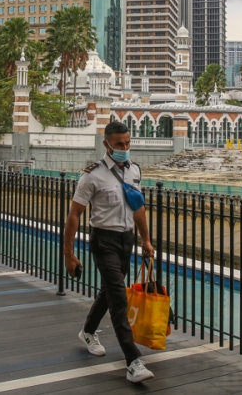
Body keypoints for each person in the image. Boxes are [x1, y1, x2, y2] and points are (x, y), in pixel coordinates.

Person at [63, 120, 156, 383]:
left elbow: (138, 208)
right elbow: (74, 216)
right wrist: (69, 254)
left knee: (110, 290)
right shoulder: (92, 175)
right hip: (104, 242)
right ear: (106, 144)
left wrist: (145, 241)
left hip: (126, 240)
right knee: (118, 299)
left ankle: (88, 331)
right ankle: (133, 360)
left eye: (127, 143)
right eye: (119, 144)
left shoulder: (134, 171)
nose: (124, 148)